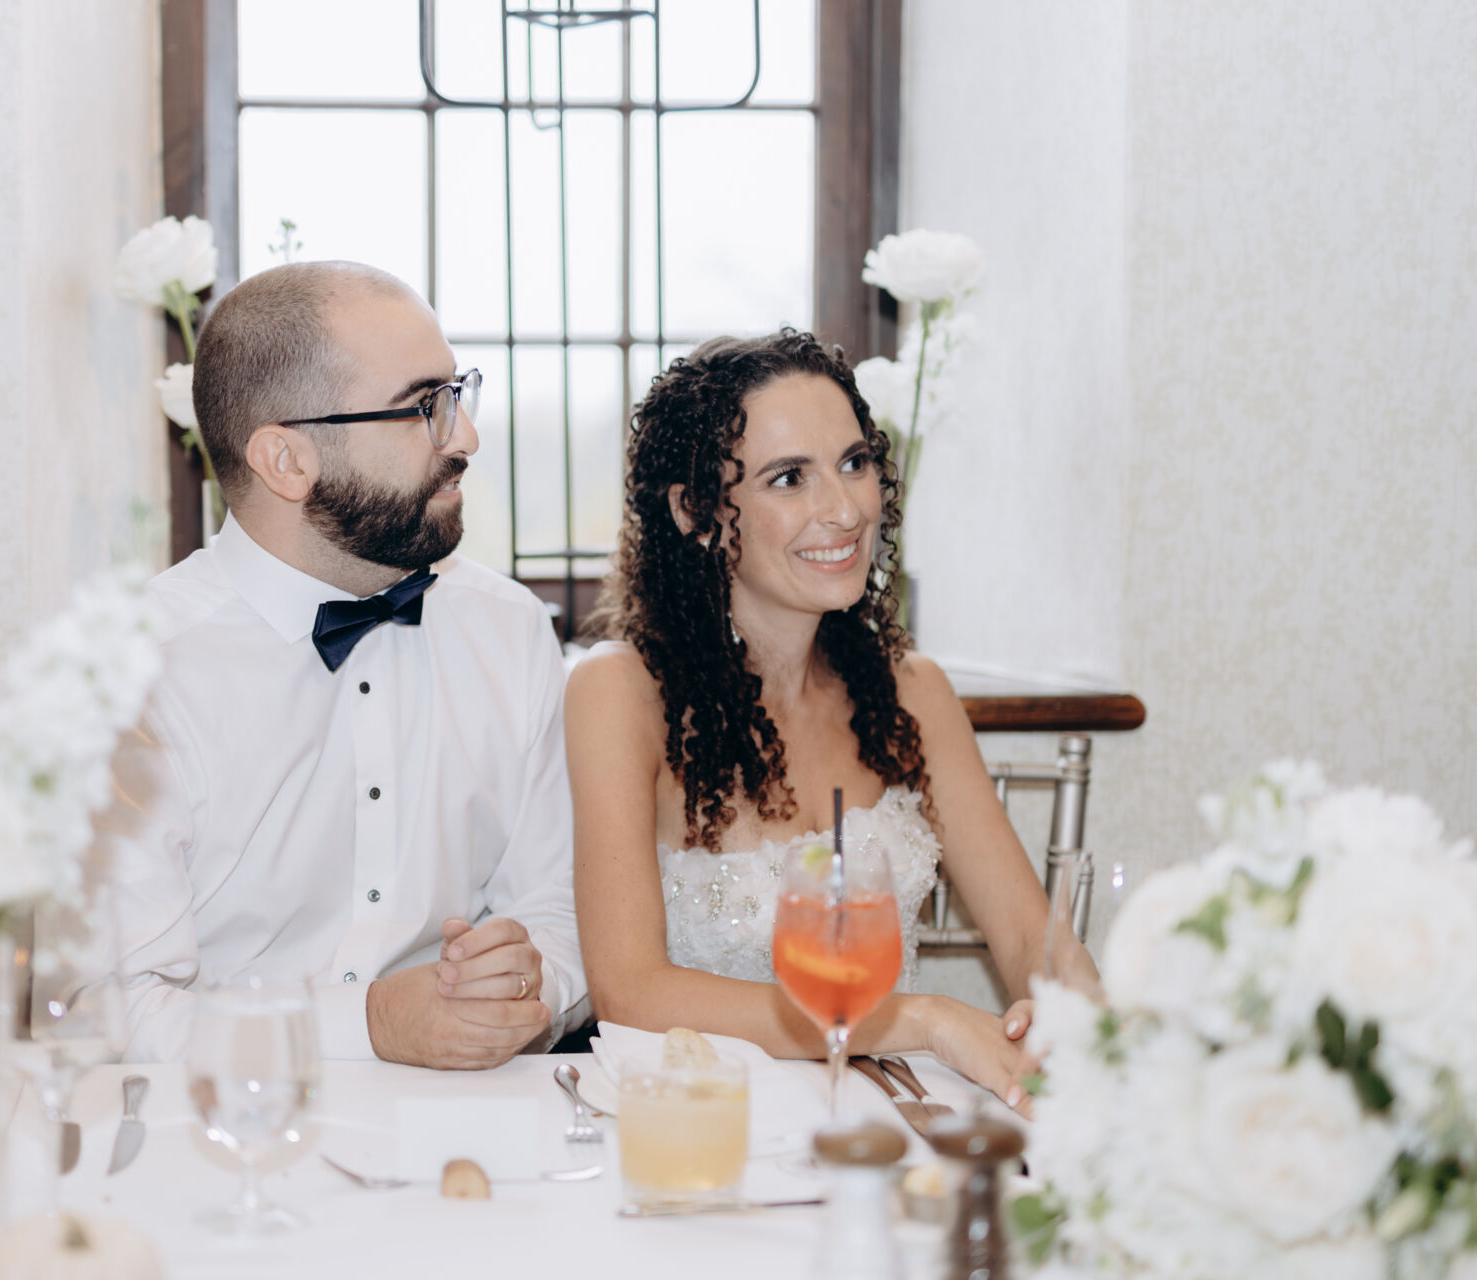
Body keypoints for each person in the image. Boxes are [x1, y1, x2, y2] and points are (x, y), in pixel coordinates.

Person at [565, 329, 1094, 1110]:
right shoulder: (620, 694)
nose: (845, 509)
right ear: (696, 512)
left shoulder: (912, 691)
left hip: (885, 1122)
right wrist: (920, 1019)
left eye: (854, 463)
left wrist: (1088, 1027)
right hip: (698, 1129)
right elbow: (632, 992)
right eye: (789, 478)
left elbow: (1029, 939)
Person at [95, 260, 584, 1068]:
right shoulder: (130, 675)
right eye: (424, 407)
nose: (465, 436)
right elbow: (106, 1014)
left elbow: (558, 908)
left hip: (470, 1122)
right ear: (285, 461)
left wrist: (531, 984)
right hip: (219, 1129)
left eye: (457, 394)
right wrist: (370, 1024)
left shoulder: (509, 630)